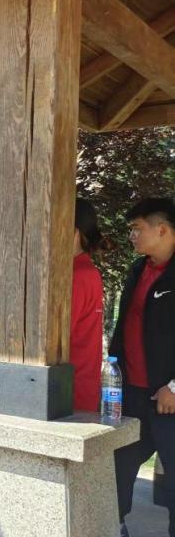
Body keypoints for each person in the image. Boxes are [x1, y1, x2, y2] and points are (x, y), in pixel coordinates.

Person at [109, 198, 175, 537]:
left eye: (137, 228)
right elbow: (125, 327)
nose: (132, 235)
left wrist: (174, 387)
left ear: (162, 229)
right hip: (131, 395)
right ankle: (114, 527)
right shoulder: (138, 270)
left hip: (168, 399)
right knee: (116, 470)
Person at [69, 198, 105, 413]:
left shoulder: (77, 275)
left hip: (66, 394)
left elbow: (51, 337)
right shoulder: (84, 271)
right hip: (76, 388)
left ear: (73, 232)